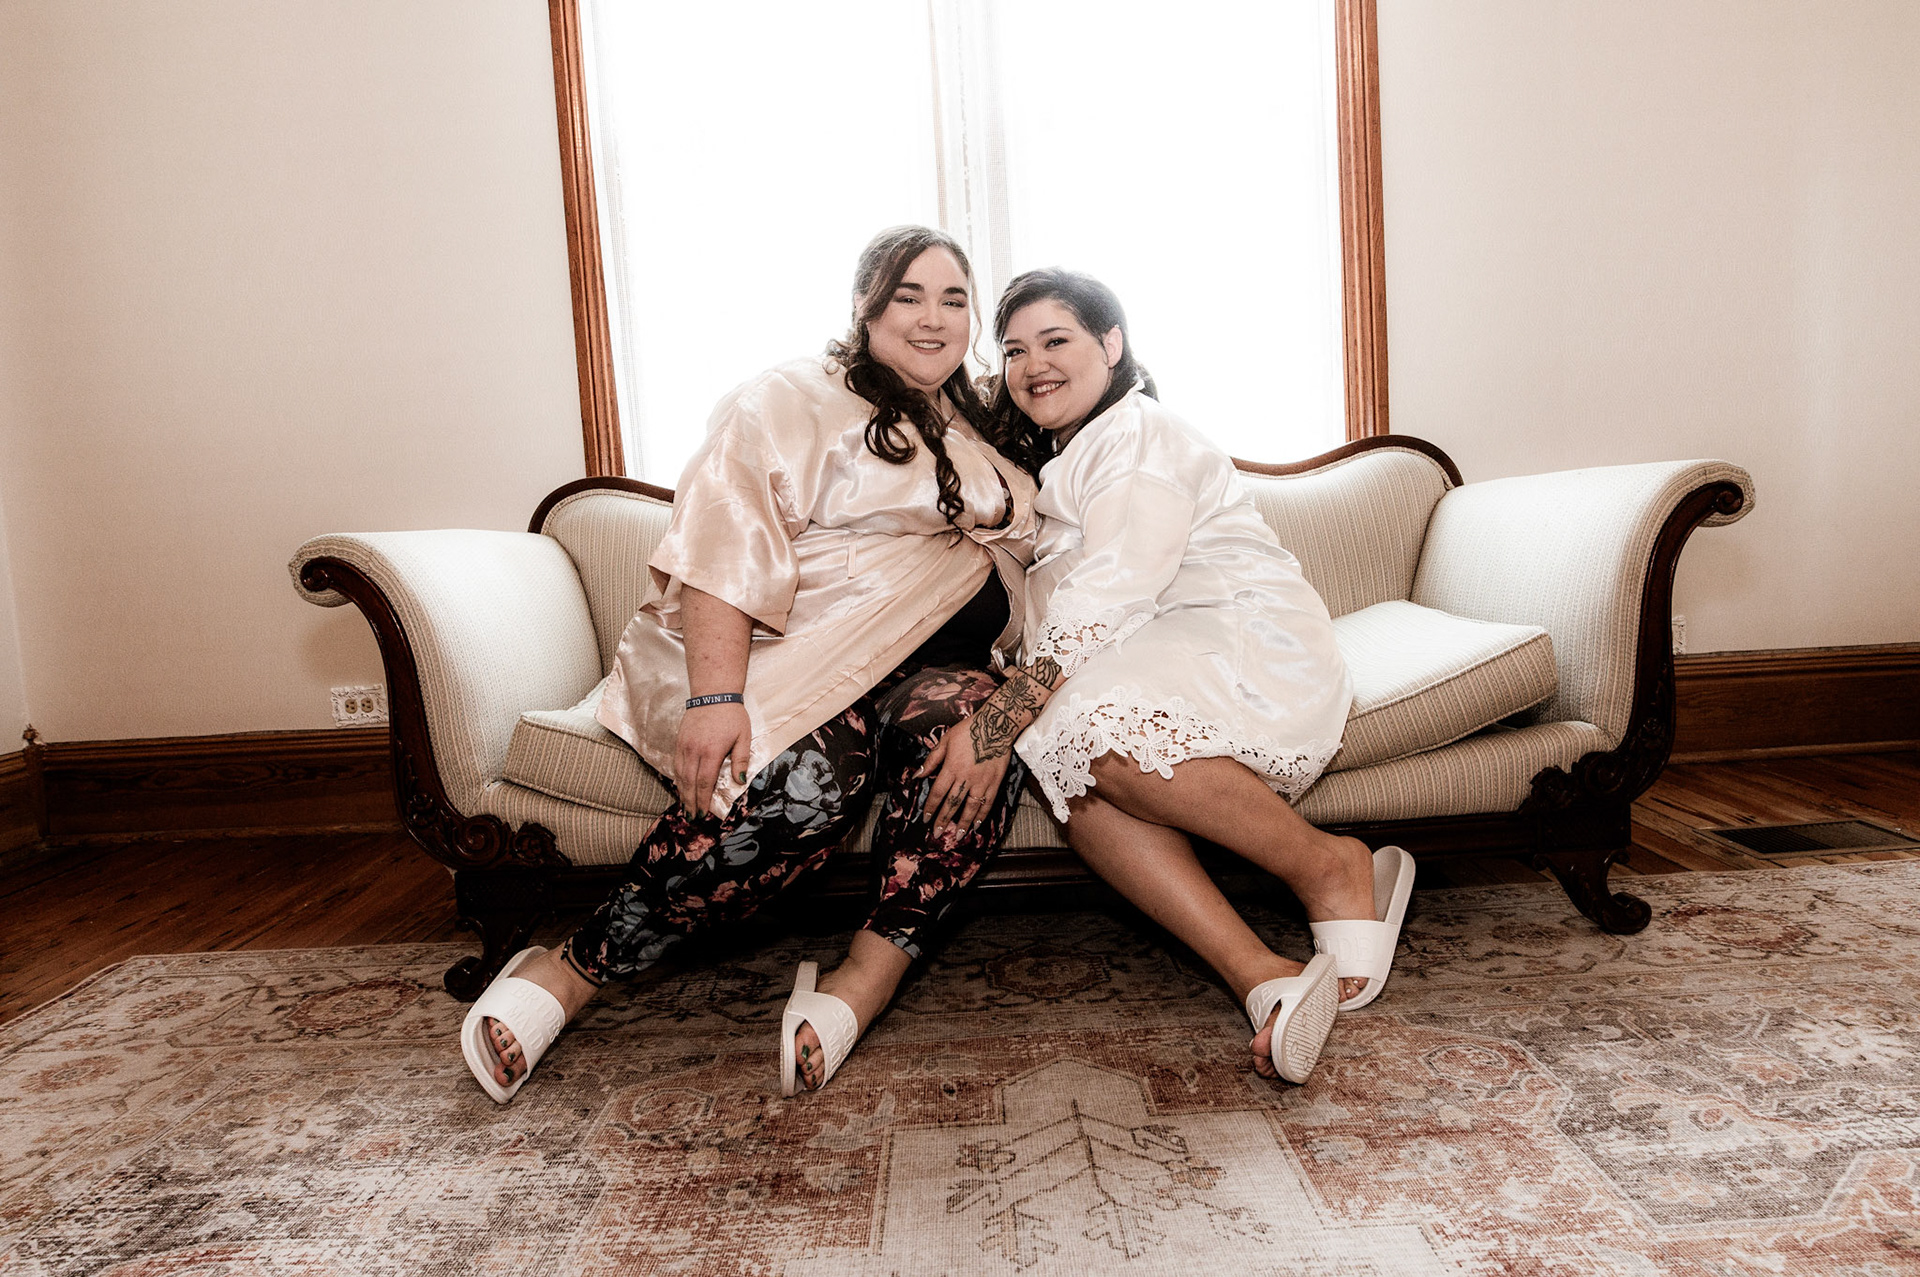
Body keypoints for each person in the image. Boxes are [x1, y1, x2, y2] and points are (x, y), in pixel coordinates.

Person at [462, 226, 1040, 1103]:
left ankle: (864, 980)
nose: (933, 317)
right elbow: (725, 539)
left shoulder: (984, 422)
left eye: (953, 299)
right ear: (864, 305)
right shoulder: (792, 398)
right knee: (806, 784)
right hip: (800, 656)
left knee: (971, 747)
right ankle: (572, 968)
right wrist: (716, 694)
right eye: (907, 295)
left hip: (940, 669)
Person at [917, 268, 1415, 1084]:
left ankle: (1330, 864)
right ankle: (1260, 973)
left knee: (1080, 726)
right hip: (1152, 645)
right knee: (1061, 749)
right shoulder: (1064, 456)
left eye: (1055, 340)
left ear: (1111, 344)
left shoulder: (1140, 433)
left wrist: (996, 722)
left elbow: (1111, 588)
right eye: (1013, 350)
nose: (1032, 364)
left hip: (1243, 636)